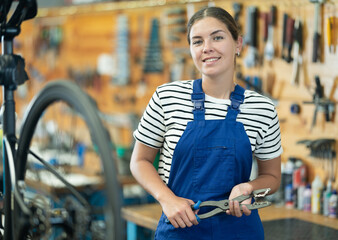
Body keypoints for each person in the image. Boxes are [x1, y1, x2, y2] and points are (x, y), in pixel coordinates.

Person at [130, 6, 282, 240]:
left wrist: (248, 188)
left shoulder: (262, 108)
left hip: (240, 231)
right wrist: (167, 199)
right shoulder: (166, 97)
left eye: (218, 37)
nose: (207, 48)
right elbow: (139, 161)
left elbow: (272, 177)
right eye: (197, 41)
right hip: (180, 227)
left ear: (238, 44)